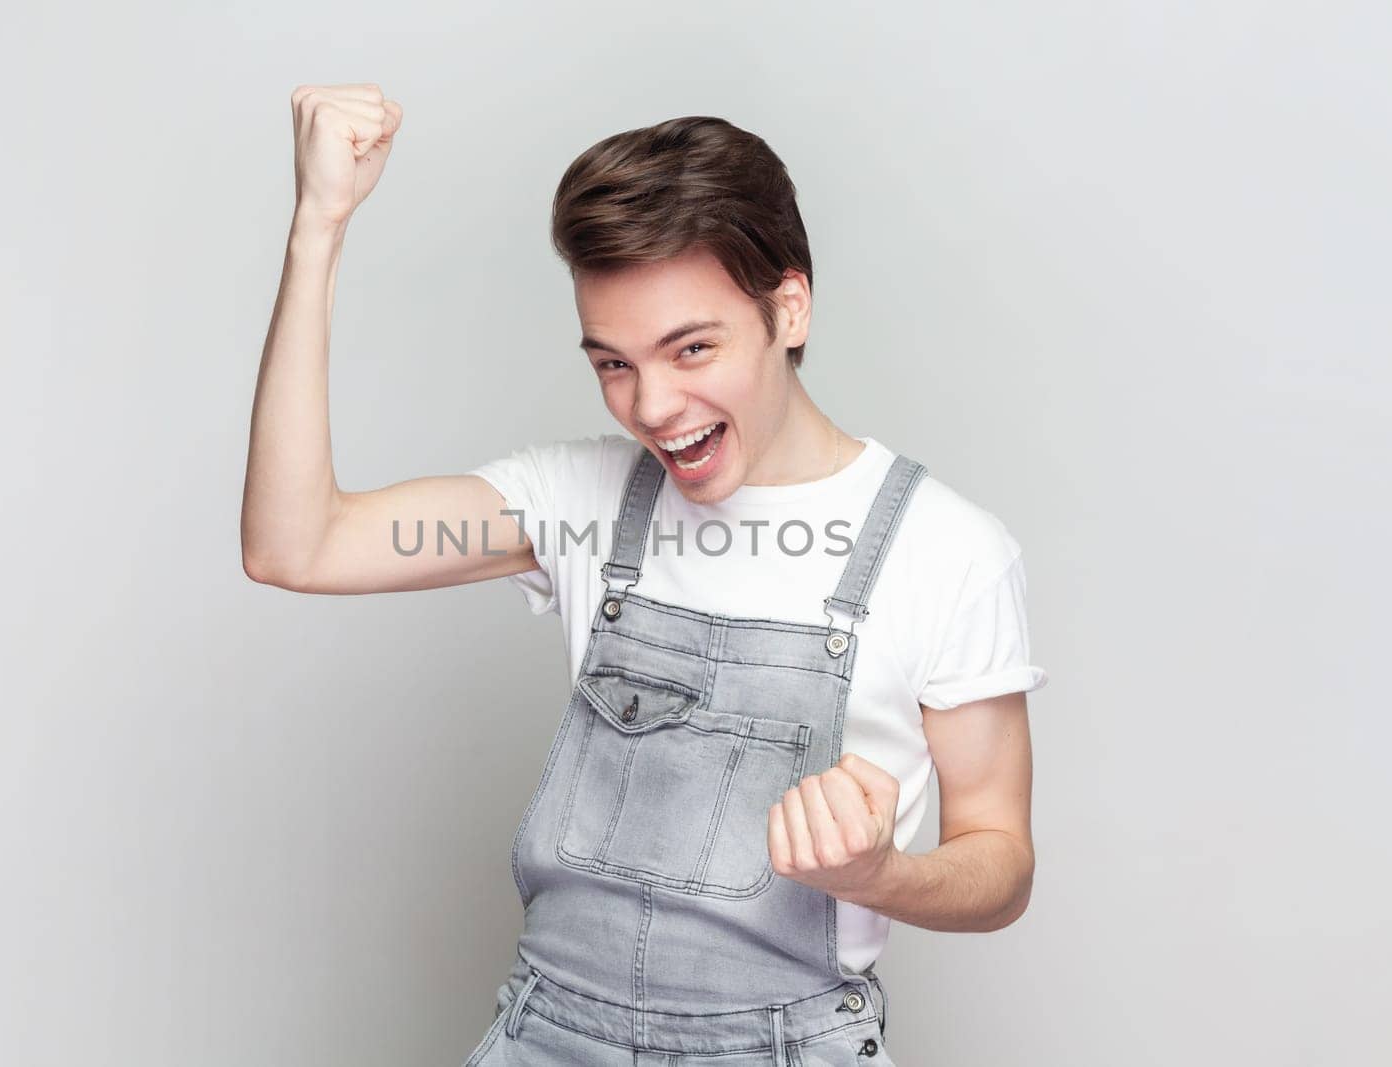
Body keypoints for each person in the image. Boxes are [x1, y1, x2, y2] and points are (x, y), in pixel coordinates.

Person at [241, 83, 1048, 1067]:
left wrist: (879, 872)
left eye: (691, 348)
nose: (653, 405)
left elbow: (999, 860)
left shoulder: (946, 550)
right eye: (612, 363)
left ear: (787, 308)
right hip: (548, 1032)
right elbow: (297, 544)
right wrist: (316, 228)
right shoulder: (576, 502)